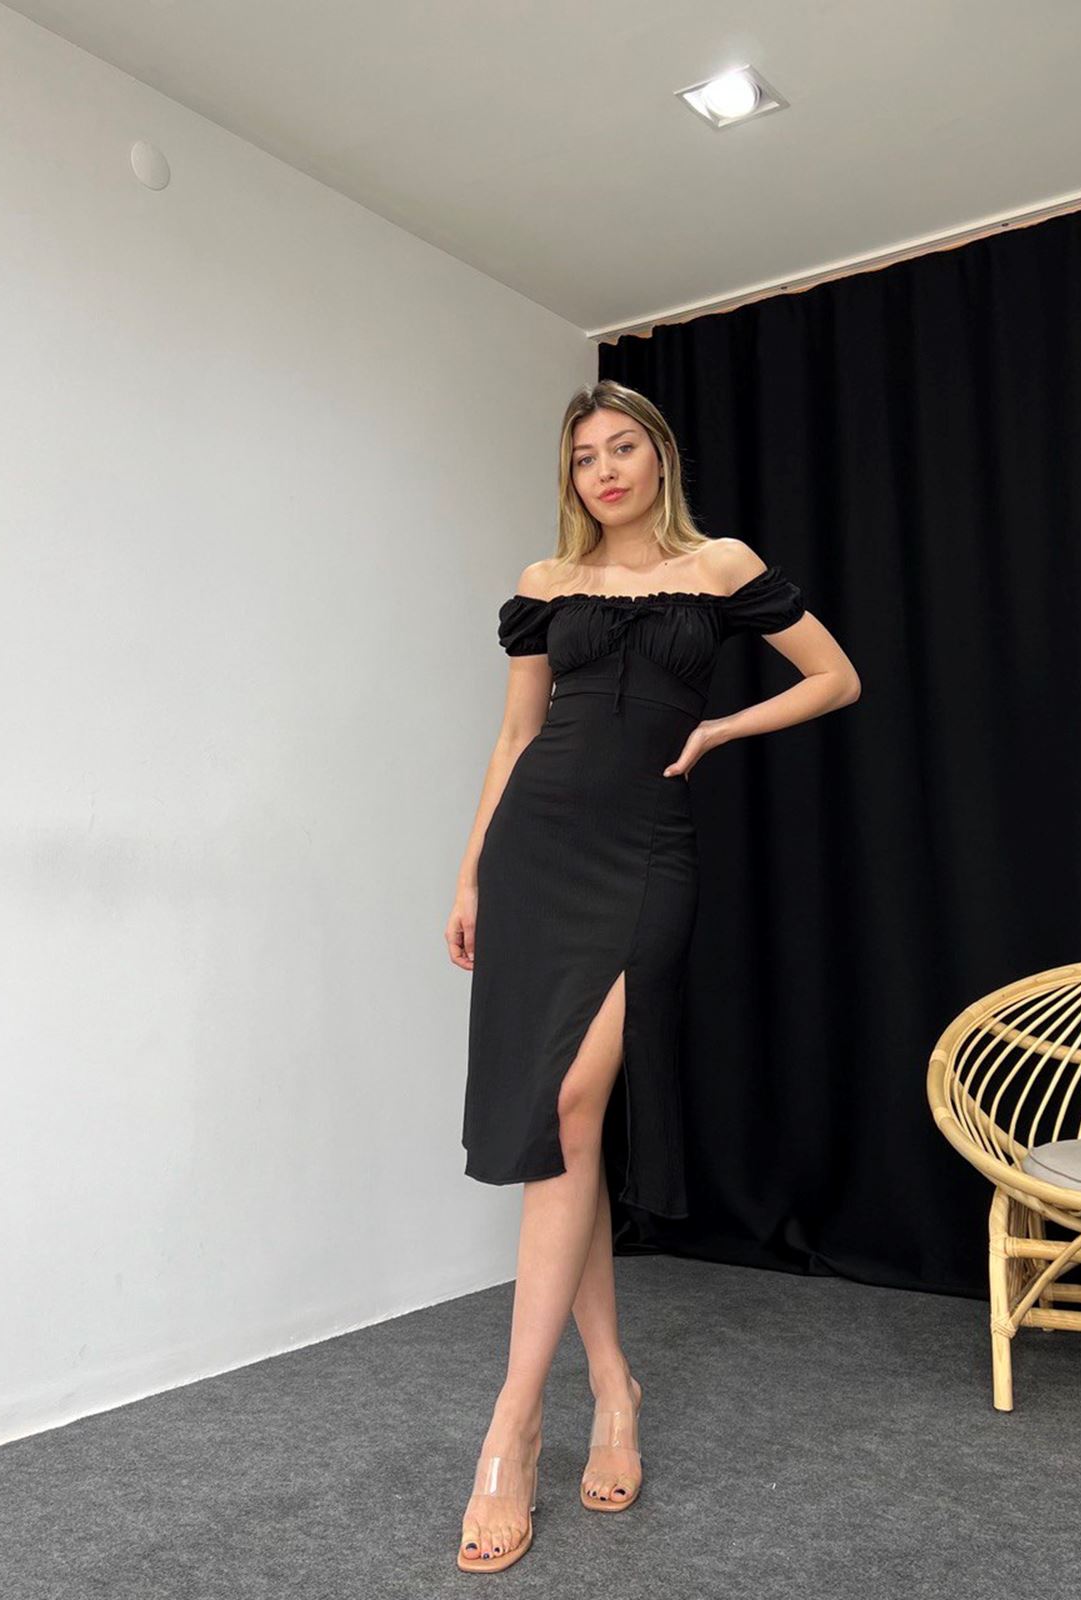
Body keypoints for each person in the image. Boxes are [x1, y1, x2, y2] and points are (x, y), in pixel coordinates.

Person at [445, 379, 860, 1572]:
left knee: (577, 1102)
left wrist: (720, 730)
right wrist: (469, 875)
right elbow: (516, 736)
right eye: (585, 456)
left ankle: (511, 1423)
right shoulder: (546, 583)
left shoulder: (721, 565)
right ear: (571, 477)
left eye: (623, 446)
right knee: (565, 1126)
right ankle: (606, 1386)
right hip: (536, 848)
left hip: (646, 853)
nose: (606, 469)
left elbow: (835, 676)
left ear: (659, 457)